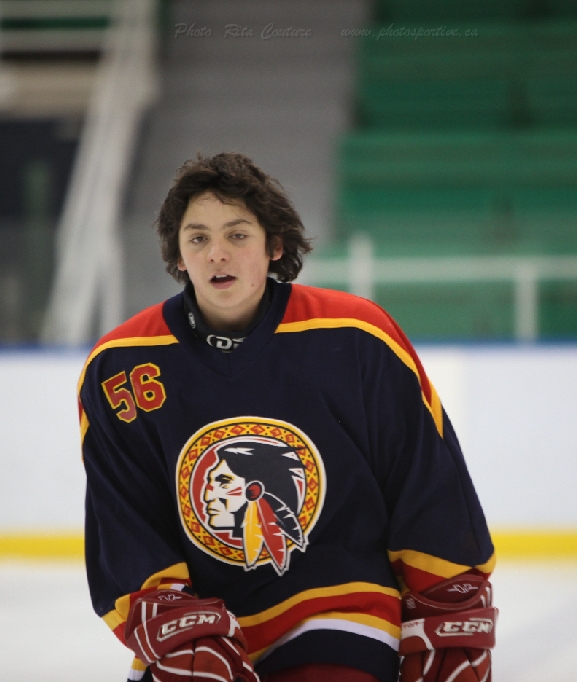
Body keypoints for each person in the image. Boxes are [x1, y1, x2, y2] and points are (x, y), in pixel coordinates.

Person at [78, 153, 497, 682]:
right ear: (178, 255)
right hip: (205, 615)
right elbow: (126, 517)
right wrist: (173, 625)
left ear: (274, 245)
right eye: (198, 238)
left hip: (340, 606)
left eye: (237, 235)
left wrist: (447, 603)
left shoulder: (355, 336)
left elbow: (424, 479)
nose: (216, 254)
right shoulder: (121, 366)